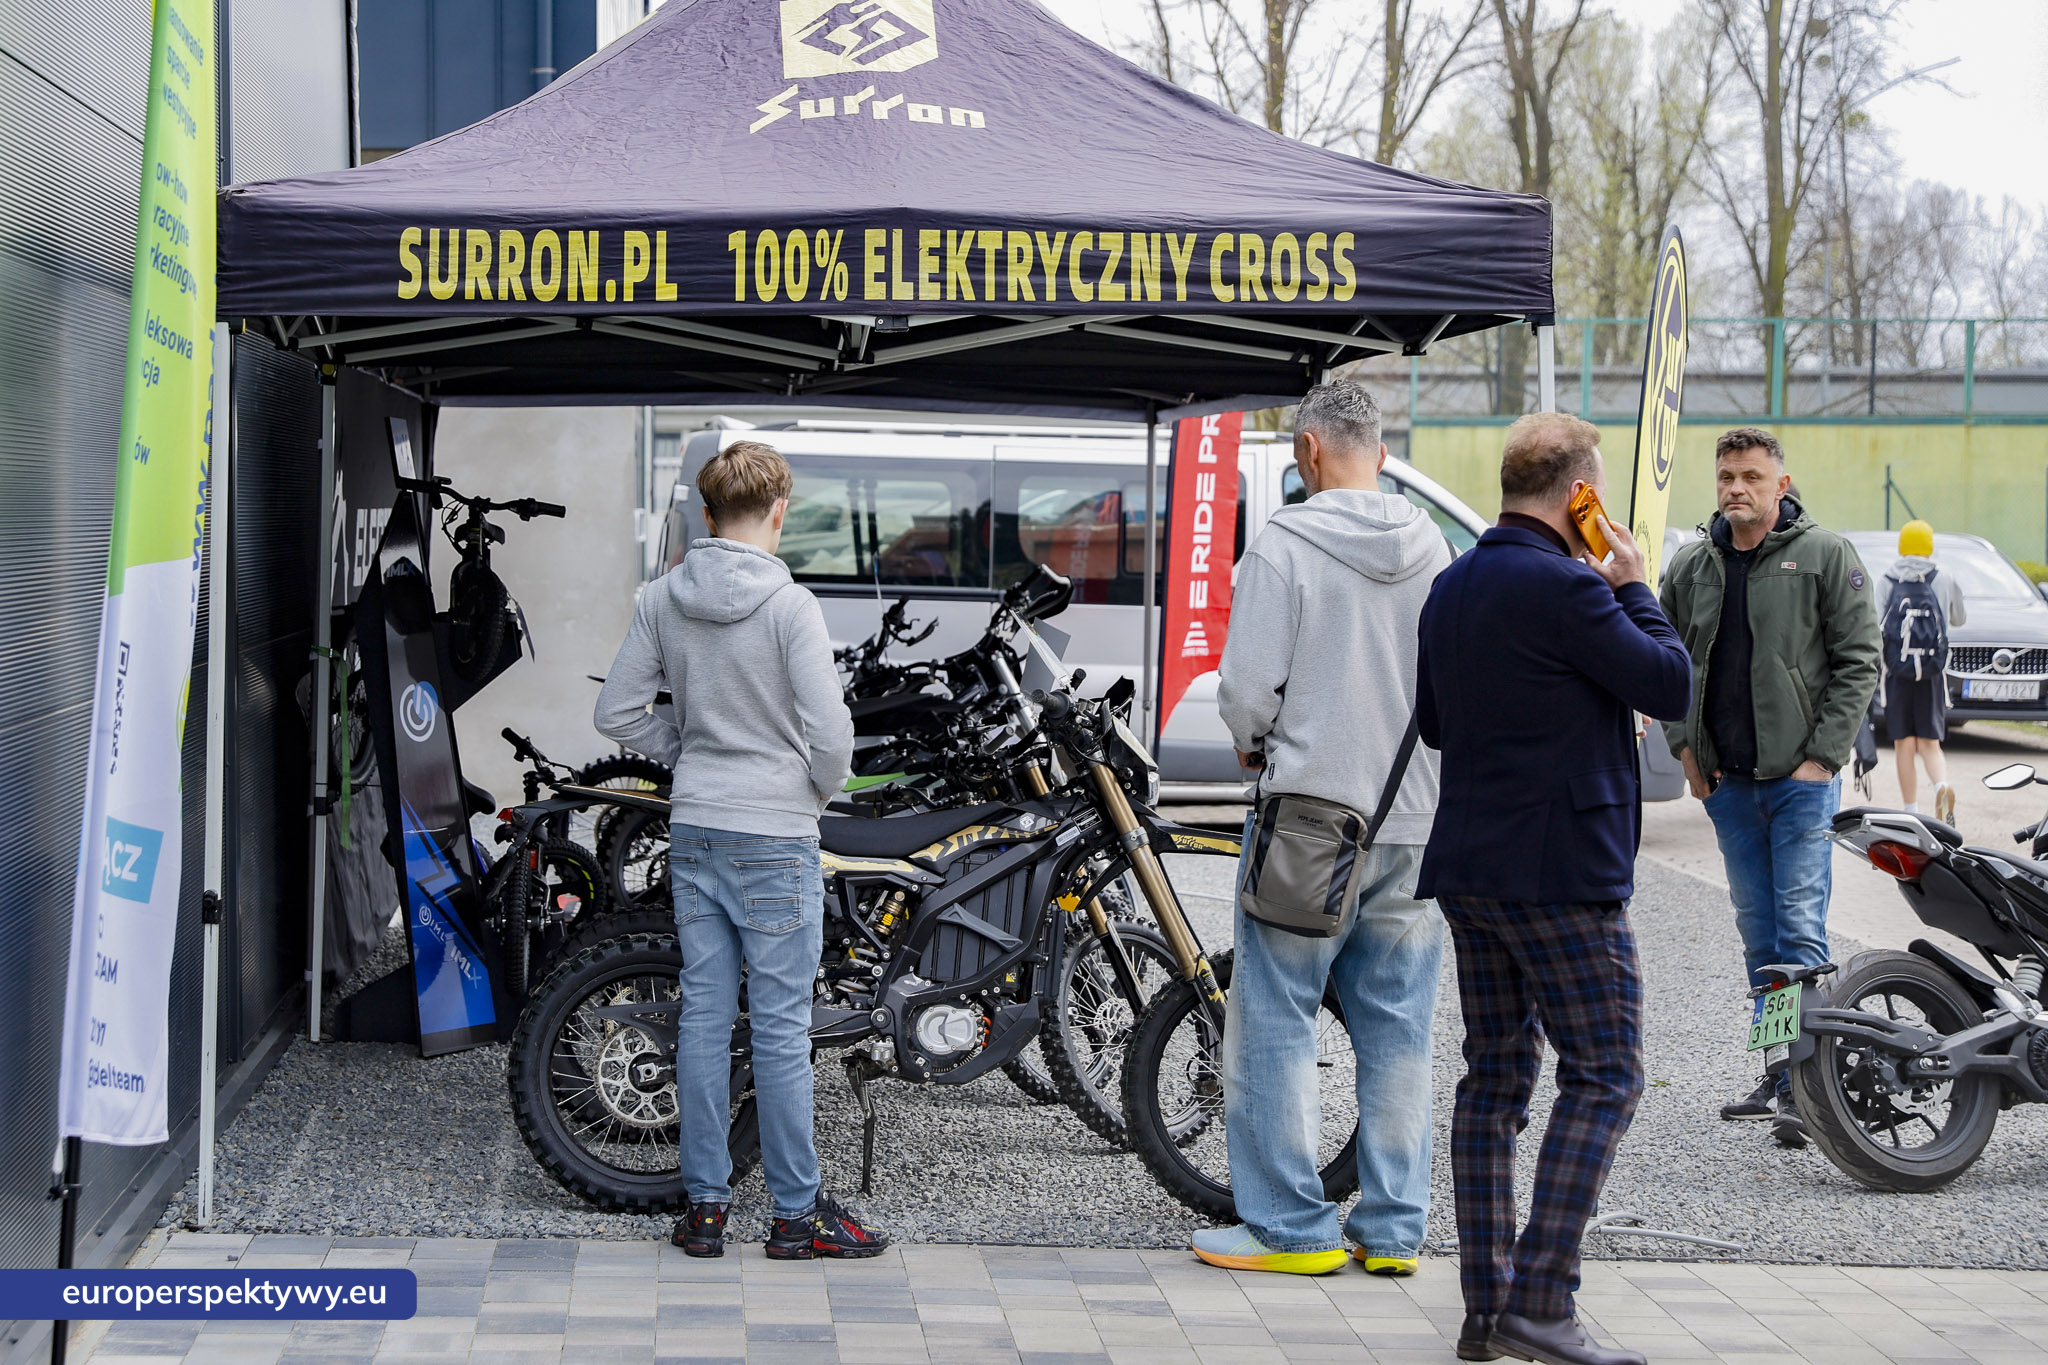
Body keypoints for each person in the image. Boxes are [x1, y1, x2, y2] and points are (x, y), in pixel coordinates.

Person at [1417, 412, 1690, 1365]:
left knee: (1493, 1080)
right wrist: (1636, 587)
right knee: (1608, 1072)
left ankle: (1487, 1310)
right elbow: (1670, 683)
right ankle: (1542, 1297)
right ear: (1580, 493)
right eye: (1598, 492)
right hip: (1563, 876)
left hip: (1472, 872)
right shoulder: (1577, 588)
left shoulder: (1451, 586)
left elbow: (1441, 725)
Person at [594, 440, 885, 1261]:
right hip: (775, 832)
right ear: (780, 511)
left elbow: (616, 715)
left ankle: (706, 1211)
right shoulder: (792, 606)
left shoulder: (662, 597)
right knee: (784, 1029)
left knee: (706, 1017)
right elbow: (831, 734)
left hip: (697, 830)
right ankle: (795, 1217)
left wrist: (686, 749)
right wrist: (812, 789)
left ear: (706, 514)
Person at [1200, 381, 1450, 1278]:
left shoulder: (1284, 545)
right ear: (1378, 453)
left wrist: (1250, 742)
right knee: (1400, 1029)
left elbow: (1246, 689)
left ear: (1308, 452)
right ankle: (1392, 1230)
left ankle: (1291, 1228)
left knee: (1275, 1017)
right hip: (1415, 821)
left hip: (1308, 823)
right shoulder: (1435, 547)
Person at [1658, 428, 1880, 1145]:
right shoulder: (1694, 566)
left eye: (1752, 475)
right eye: (1726, 475)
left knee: (1800, 931)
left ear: (1781, 485)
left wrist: (1823, 757)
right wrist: (1685, 750)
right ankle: (1786, 1072)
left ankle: (1812, 1085)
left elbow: (1859, 661)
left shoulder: (1824, 556)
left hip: (1799, 783)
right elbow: (1663, 663)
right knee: (1760, 937)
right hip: (1729, 787)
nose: (1736, 488)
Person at [1879, 520, 1966, 822]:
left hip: (1897, 673)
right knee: (1930, 742)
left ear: (1902, 545)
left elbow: (1876, 624)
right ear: (1930, 546)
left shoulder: (1888, 578)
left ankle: (1911, 811)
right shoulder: (1944, 577)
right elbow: (1958, 619)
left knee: (1904, 743)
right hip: (1931, 673)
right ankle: (1941, 787)